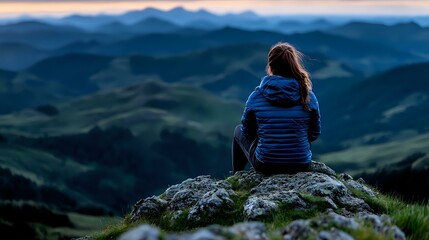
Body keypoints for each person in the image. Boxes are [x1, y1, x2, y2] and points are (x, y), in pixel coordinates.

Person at [232, 42, 321, 175]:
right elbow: (314, 134)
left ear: (270, 66)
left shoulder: (256, 95)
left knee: (237, 130)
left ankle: (235, 175)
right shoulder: (307, 95)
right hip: (301, 164)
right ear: (293, 64)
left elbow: (247, 131)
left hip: (266, 165)